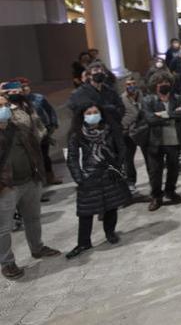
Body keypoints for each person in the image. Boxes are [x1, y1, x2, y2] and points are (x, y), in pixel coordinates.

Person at [0, 94, 60, 279]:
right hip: (6, 187)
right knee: (3, 228)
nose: (5, 108)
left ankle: (37, 247)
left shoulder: (20, 126)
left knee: (33, 218)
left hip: (29, 180)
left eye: (6, 105)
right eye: (0, 105)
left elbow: (39, 134)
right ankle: (7, 262)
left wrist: (25, 107)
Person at [65, 104, 131, 259]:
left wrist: (117, 165)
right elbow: (72, 158)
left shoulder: (110, 130)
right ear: (83, 116)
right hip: (89, 176)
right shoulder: (77, 134)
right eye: (89, 113)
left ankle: (110, 233)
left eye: (96, 112)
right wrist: (79, 178)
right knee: (85, 212)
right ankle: (83, 242)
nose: (93, 115)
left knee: (111, 206)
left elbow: (121, 148)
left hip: (109, 174)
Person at [142, 74, 181, 211]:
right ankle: (156, 196)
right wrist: (172, 114)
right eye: (161, 82)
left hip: (174, 139)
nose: (164, 84)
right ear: (155, 85)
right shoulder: (148, 100)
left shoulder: (177, 98)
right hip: (155, 141)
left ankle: (170, 191)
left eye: (166, 81)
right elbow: (150, 119)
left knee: (173, 169)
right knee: (155, 171)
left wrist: (162, 115)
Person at [17, 78, 62, 185]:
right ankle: (40, 182)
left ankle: (50, 177)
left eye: (26, 86)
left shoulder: (38, 98)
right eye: (22, 87)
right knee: (33, 159)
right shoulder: (16, 103)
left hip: (43, 131)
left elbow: (50, 111)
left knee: (44, 156)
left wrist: (53, 124)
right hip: (27, 134)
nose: (25, 89)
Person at [67, 63, 126, 127]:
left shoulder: (111, 91)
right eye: (96, 70)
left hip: (111, 126)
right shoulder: (79, 92)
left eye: (102, 70)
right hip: (89, 127)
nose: (100, 72)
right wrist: (110, 108)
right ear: (89, 75)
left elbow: (121, 107)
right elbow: (80, 109)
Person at [119, 76, 144, 194]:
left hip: (143, 130)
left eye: (133, 83)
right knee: (128, 159)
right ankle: (131, 183)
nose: (131, 86)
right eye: (128, 84)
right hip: (127, 133)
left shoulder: (142, 97)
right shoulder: (122, 99)